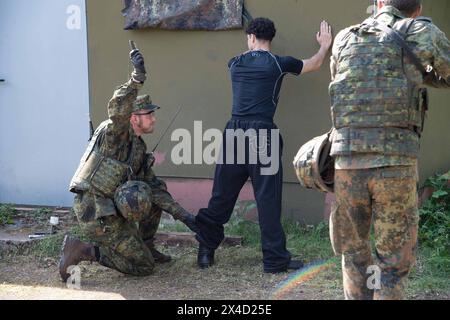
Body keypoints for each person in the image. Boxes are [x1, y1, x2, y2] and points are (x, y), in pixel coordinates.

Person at [328, 0, 450, 299]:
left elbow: (341, 81)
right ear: (417, 9)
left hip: (347, 161)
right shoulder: (422, 30)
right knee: (392, 262)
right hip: (395, 162)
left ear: (379, 3)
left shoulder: (345, 36)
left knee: (353, 253)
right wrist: (425, 74)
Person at [194, 17, 333, 273]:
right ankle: (274, 260)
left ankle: (205, 251)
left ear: (251, 37)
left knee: (222, 196)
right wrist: (324, 45)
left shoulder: (234, 63)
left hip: (234, 132)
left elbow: (248, 56)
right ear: (271, 37)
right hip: (262, 134)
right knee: (267, 199)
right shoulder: (279, 64)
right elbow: (314, 64)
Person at [59, 46, 199, 281]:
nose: (154, 118)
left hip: (112, 206)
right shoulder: (115, 134)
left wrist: (187, 218)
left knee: (149, 193)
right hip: (96, 211)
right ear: (134, 118)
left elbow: (154, 188)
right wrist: (137, 77)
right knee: (144, 266)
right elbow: (118, 108)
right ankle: (83, 250)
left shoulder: (138, 147)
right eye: (149, 115)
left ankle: (146, 245)